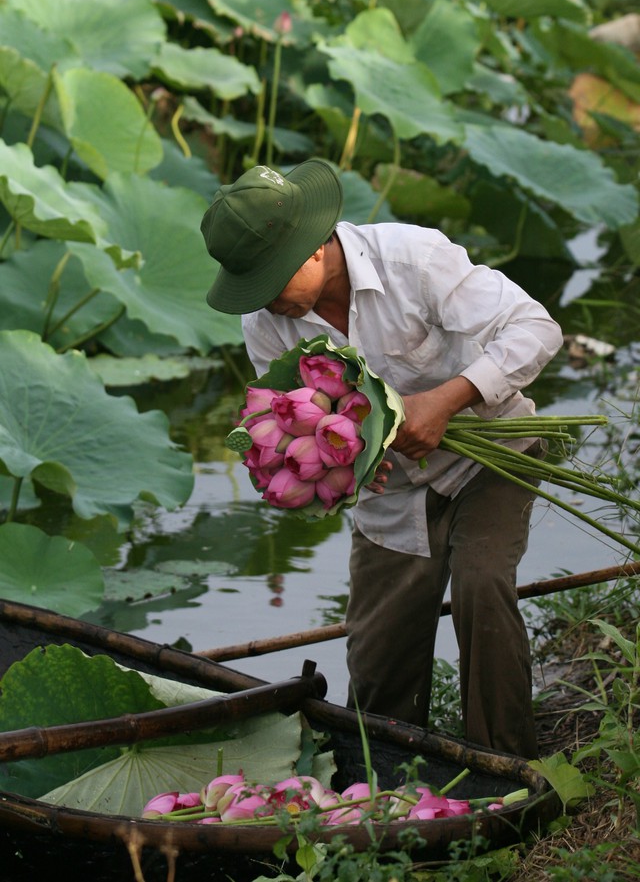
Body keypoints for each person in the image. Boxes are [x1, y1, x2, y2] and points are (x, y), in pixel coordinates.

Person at [200, 158, 564, 758]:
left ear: (314, 248)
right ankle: (389, 786)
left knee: (480, 586)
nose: (263, 299)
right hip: (391, 492)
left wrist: (445, 403)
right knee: (377, 655)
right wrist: (349, 470)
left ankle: (506, 770)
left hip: (493, 455)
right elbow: (294, 427)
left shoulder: (413, 260)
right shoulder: (265, 322)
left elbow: (536, 328)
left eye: (271, 278)